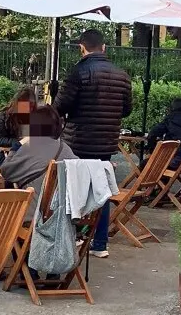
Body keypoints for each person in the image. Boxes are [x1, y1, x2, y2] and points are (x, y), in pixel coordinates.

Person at [54, 27, 132, 259]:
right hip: (106, 142)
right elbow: (126, 110)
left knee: (73, 189)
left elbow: (60, 106)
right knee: (101, 189)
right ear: (104, 47)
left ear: (82, 47)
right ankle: (99, 243)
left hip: (78, 141)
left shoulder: (78, 72)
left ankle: (75, 237)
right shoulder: (122, 75)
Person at [0, 104, 76, 219]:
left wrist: (14, 149)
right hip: (59, 218)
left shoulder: (30, 146)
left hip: (30, 216)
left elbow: (6, 172)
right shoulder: (65, 148)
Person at [0, 86, 38, 167]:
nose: (29, 110)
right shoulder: (2, 116)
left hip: (16, 156)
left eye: (32, 107)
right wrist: (20, 142)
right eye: (26, 106)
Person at [146, 97, 181, 168]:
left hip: (171, 160)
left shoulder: (170, 119)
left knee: (145, 164)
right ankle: (165, 179)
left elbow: (153, 133)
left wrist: (151, 150)